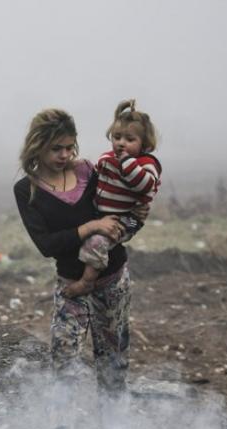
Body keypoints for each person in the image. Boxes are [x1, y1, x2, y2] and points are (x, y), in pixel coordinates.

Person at [13, 108, 135, 395]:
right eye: (56, 148)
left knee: (113, 361)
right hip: (72, 287)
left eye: (69, 147)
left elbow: (116, 216)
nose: (64, 155)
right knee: (63, 360)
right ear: (38, 145)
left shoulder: (88, 172)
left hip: (113, 279)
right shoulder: (26, 190)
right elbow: (47, 245)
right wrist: (92, 226)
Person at [62, 100, 162, 298]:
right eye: (117, 137)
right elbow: (97, 178)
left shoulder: (146, 164)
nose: (121, 143)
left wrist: (127, 162)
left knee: (97, 242)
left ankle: (86, 282)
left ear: (145, 143)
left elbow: (145, 185)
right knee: (82, 231)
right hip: (103, 213)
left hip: (127, 218)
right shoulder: (107, 158)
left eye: (129, 139)